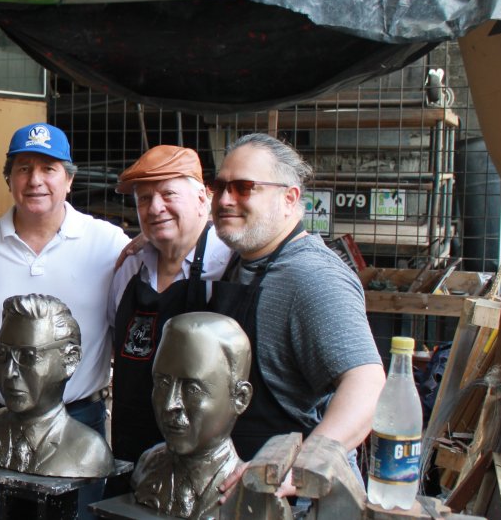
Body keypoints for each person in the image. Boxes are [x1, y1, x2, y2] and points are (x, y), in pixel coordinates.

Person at [0, 122, 128, 517]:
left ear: (68, 180)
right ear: (9, 179)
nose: (35, 180)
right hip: (0, 419)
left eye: (48, 169)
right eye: (23, 168)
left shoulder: (108, 243)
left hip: (77, 420)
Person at [209, 133, 384, 496]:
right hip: (242, 490)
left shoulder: (312, 276)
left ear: (289, 199)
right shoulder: (241, 260)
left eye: (243, 188)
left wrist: (298, 466)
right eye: (220, 187)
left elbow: (367, 386)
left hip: (297, 501)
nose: (225, 200)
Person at [108, 146, 232, 473]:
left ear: (203, 199)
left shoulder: (229, 266)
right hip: (130, 448)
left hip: (200, 458)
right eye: (144, 199)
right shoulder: (129, 267)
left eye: (168, 194)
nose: (155, 207)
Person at [0, 294, 113, 478]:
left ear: (69, 360)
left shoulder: (88, 451)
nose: (9, 372)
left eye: (28, 356)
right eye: (2, 353)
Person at [132, 312, 252, 518]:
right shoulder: (147, 466)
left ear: (240, 398)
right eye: (163, 383)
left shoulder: (253, 497)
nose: (170, 404)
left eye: (192, 389)